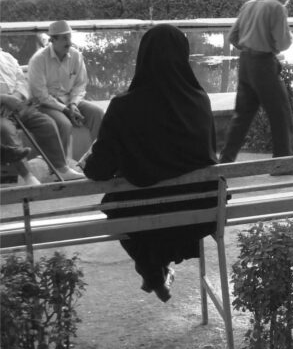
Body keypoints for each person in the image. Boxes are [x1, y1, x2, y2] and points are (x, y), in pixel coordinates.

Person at [80, 25, 219, 302]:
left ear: (143, 56)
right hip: (201, 210)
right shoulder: (199, 99)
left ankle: (153, 269)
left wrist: (86, 162)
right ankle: (156, 269)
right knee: (152, 203)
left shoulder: (123, 107)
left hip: (144, 214)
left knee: (116, 205)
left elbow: (100, 170)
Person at [219, 0, 293, 173]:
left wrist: (248, 47)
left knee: (241, 116)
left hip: (245, 63)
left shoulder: (249, 5)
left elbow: (233, 37)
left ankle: (225, 162)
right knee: (280, 114)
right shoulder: (277, 8)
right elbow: (282, 43)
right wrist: (290, 39)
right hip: (263, 64)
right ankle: (282, 165)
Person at [0, 49, 85, 182]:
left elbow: (21, 81)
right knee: (5, 130)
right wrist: (4, 99)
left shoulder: (8, 57)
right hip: (1, 113)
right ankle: (28, 177)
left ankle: (61, 168)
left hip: (19, 106)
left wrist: (17, 96)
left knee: (47, 123)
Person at [27, 20, 104, 160]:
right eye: (64, 38)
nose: (69, 42)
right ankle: (60, 167)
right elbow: (40, 95)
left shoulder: (76, 55)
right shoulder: (38, 60)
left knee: (98, 114)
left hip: (70, 100)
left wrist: (73, 104)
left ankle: (98, 158)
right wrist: (66, 110)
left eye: (69, 37)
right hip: (45, 104)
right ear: (53, 40)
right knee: (64, 124)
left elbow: (80, 85)